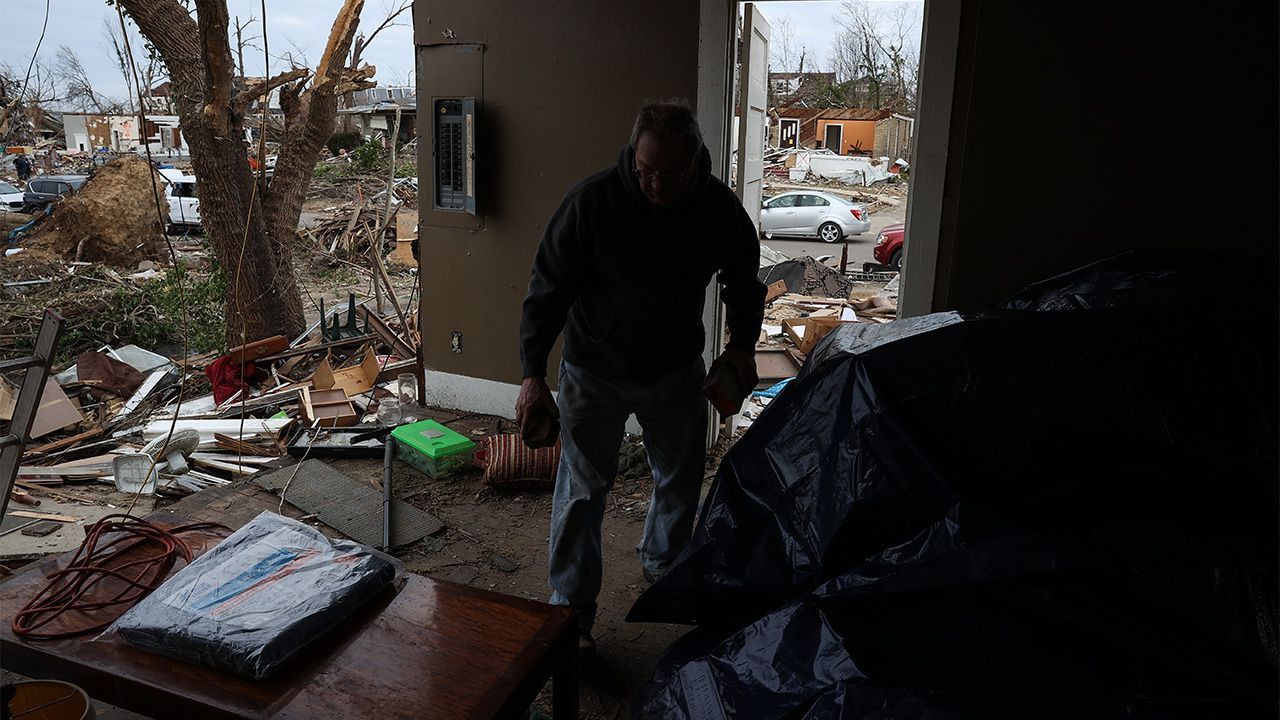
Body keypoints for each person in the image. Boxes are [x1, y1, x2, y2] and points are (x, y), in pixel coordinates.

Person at [517, 102, 766, 655]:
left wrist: (742, 349)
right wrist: (532, 374)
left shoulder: (717, 209)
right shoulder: (592, 202)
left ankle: (664, 568)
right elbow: (547, 290)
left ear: (695, 161)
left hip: (675, 373)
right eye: (645, 171)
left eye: (670, 175)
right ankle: (572, 610)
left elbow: (745, 283)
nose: (655, 184)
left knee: (680, 478)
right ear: (634, 156)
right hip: (594, 372)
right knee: (582, 490)